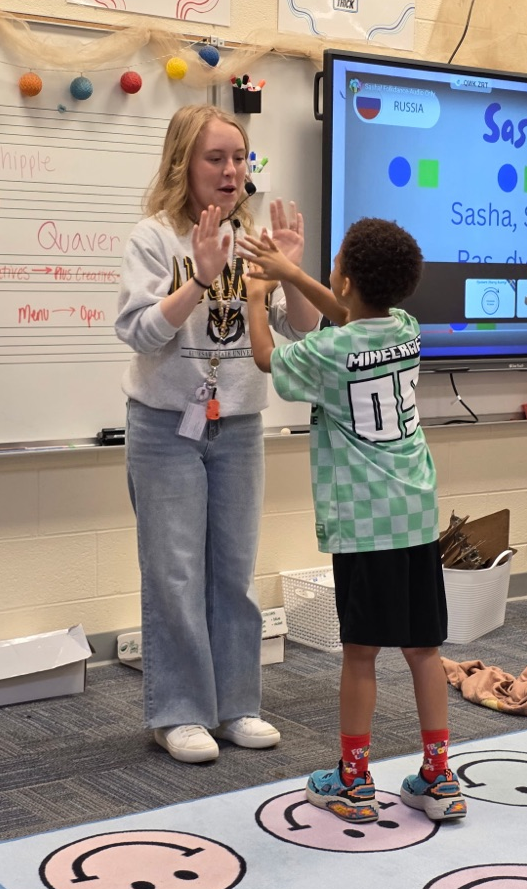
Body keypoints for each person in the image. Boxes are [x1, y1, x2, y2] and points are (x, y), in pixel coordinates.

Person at [240, 217, 467, 823]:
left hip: (364, 524)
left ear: (342, 277)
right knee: (424, 649)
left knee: (360, 652)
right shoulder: (407, 329)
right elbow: (352, 315)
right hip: (415, 515)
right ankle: (439, 776)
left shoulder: (326, 351)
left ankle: (354, 781)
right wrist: (293, 273)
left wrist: (260, 296)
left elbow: (266, 357)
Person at [115, 105, 319, 763]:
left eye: (241, 158)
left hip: (235, 424)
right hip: (163, 426)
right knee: (174, 574)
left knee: (231, 572)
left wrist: (290, 270)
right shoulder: (153, 239)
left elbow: (302, 330)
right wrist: (200, 276)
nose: (232, 171)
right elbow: (140, 330)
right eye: (217, 158)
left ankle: (236, 706)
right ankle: (178, 712)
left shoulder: (254, 237)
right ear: (184, 164)